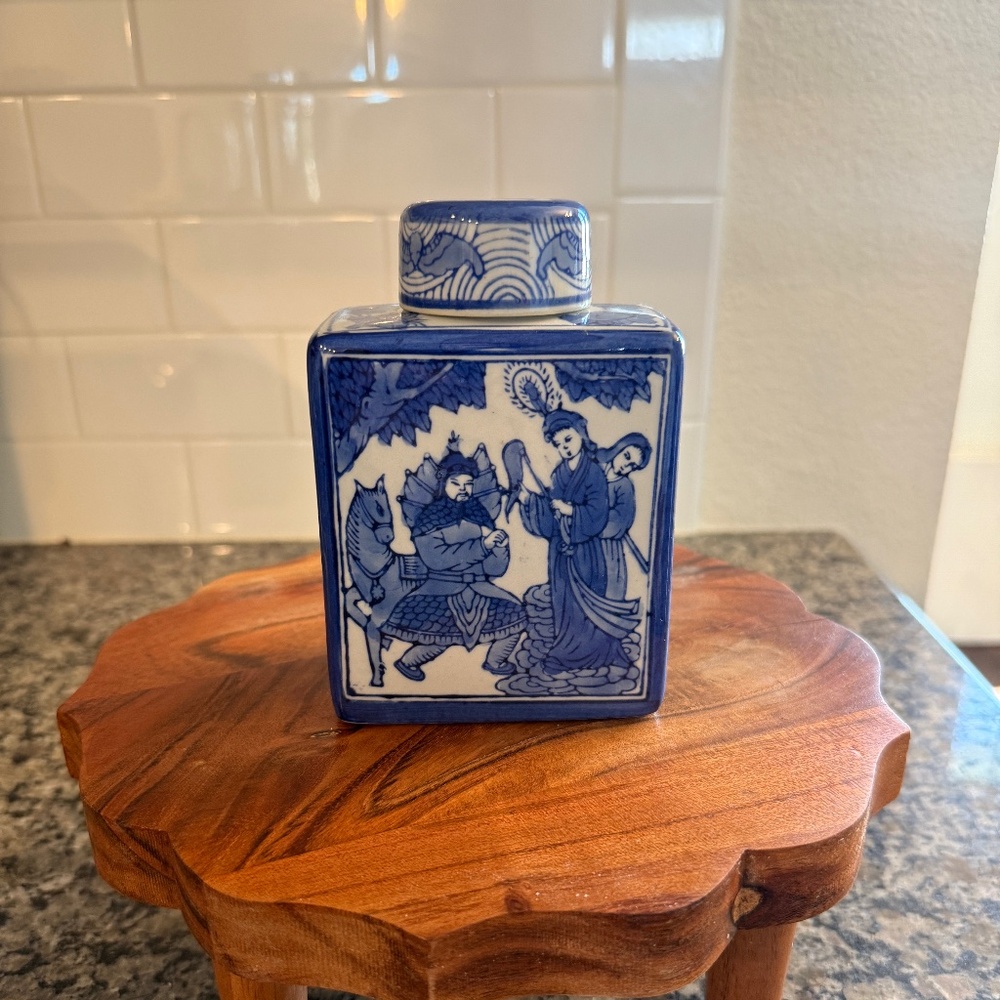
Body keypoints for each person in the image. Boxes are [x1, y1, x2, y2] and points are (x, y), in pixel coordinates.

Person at [383, 450, 525, 681]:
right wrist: (481, 543)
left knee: (515, 617)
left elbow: (495, 569)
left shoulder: (479, 514)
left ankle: (495, 661)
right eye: (455, 483)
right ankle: (407, 662)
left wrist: (499, 547)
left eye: (468, 484)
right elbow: (436, 558)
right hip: (441, 588)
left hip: (480, 588)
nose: (463, 488)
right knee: (437, 637)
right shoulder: (429, 518)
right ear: (443, 484)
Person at [517, 409, 640, 674]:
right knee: (564, 601)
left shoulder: (594, 472)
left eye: (569, 440)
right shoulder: (559, 473)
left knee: (588, 600)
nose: (564, 448)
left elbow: (598, 513)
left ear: (581, 436)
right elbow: (552, 514)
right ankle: (566, 648)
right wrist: (533, 502)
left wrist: (571, 510)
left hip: (586, 549)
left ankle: (591, 651)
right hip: (561, 550)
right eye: (559, 444)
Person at [597, 433, 652, 601]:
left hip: (606, 544)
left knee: (608, 585)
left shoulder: (624, 487)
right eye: (626, 456)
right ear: (619, 448)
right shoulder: (595, 466)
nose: (625, 466)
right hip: (580, 536)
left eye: (632, 466)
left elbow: (622, 519)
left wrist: (592, 521)